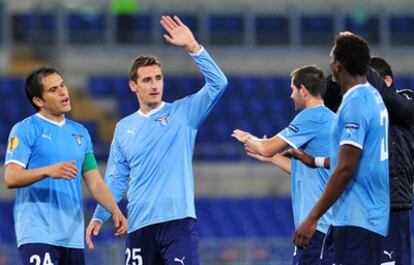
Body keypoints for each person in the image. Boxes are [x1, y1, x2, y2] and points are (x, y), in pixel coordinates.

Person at [85, 15, 228, 265]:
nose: (154, 85)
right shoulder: (123, 127)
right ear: (133, 85)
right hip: (140, 226)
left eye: (158, 78)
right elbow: (117, 179)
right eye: (147, 80)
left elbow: (219, 84)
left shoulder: (184, 113)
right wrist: (99, 215)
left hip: (178, 223)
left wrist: (194, 47)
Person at [296, 56, 414, 265]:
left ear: (386, 81)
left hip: (392, 202)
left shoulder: (405, 101)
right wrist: (341, 70)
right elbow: (328, 101)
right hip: (356, 204)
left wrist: (360, 67)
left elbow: (394, 103)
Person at [4, 66, 127, 265]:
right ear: (38, 101)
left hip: (72, 236)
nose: (63, 92)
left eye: (62, 85)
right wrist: (48, 171)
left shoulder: (80, 132)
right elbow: (11, 177)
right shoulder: (25, 129)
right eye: (53, 90)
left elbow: (94, 180)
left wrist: (115, 210)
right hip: (38, 233)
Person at [232, 65, 334, 265]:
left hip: (318, 227)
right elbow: (303, 171)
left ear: (303, 90)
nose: (291, 95)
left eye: (293, 89)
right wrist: (272, 158)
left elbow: (268, 147)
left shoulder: (311, 117)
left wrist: (250, 139)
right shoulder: (329, 118)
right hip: (323, 226)